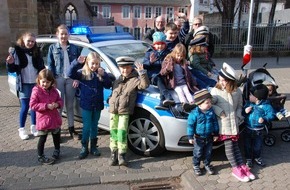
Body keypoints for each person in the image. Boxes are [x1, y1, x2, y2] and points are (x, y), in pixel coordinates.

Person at [210, 62, 255, 182]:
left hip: (234, 123)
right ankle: (236, 168)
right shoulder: (215, 91)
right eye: (220, 80)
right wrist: (219, 111)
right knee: (229, 147)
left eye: (224, 80)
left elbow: (240, 105)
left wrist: (239, 115)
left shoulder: (237, 92)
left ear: (231, 81)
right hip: (224, 125)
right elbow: (211, 104)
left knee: (235, 147)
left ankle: (242, 166)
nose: (221, 83)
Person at [68, 52, 112, 159]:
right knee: (86, 126)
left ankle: (93, 147)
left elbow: (108, 85)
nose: (94, 66)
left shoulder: (100, 74)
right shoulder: (82, 74)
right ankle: (84, 147)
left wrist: (104, 75)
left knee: (94, 126)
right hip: (86, 105)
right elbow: (70, 74)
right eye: (92, 63)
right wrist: (76, 63)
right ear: (87, 62)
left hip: (97, 105)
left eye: (97, 64)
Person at [108, 56, 149, 166]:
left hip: (125, 111)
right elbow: (113, 93)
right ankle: (113, 154)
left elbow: (144, 85)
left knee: (122, 132)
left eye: (127, 68)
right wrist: (110, 100)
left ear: (131, 68)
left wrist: (142, 73)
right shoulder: (117, 80)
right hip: (113, 110)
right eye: (122, 68)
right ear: (119, 68)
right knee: (113, 132)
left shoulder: (135, 80)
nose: (125, 70)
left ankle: (122, 155)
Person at [6, 32, 45, 140]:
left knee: (34, 106)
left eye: (33, 41)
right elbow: (12, 69)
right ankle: (22, 129)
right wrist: (10, 63)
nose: (31, 43)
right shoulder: (17, 51)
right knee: (25, 107)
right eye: (29, 41)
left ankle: (34, 127)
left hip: (35, 82)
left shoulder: (37, 51)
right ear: (23, 40)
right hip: (23, 83)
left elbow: (41, 66)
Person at [47, 24, 82, 140]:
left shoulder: (74, 48)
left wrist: (77, 78)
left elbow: (79, 66)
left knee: (70, 105)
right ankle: (58, 129)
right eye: (61, 34)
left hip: (71, 79)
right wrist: (52, 81)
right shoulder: (52, 48)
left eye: (66, 34)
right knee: (59, 105)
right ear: (57, 34)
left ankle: (72, 128)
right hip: (58, 78)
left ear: (69, 35)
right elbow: (50, 66)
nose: (64, 36)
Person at [29, 69, 63, 165]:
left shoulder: (54, 91)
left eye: (47, 82)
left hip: (54, 118)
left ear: (51, 82)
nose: (45, 84)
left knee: (56, 135)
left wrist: (57, 104)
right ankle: (40, 156)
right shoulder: (36, 91)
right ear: (39, 80)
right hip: (43, 119)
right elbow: (32, 105)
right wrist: (46, 106)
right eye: (43, 82)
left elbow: (60, 101)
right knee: (42, 138)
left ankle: (57, 150)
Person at [187, 89, 219, 176]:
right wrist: (190, 136)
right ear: (199, 104)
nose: (209, 104)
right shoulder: (194, 114)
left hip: (209, 136)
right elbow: (190, 126)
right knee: (198, 152)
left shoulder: (211, 112)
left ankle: (207, 164)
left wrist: (216, 134)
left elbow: (215, 123)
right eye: (207, 103)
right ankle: (196, 165)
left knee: (208, 152)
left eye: (210, 102)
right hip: (198, 137)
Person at [243, 84, 275, 168]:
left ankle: (257, 157)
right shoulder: (249, 104)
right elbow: (243, 113)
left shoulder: (266, 106)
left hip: (258, 130)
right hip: (248, 129)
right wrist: (245, 111)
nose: (249, 96)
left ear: (256, 97)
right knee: (247, 145)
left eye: (250, 95)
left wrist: (264, 118)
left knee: (258, 145)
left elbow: (272, 115)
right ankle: (248, 158)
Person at [159, 43, 199, 110]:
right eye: (178, 55)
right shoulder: (168, 60)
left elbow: (188, 74)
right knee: (180, 93)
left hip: (183, 82)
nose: (179, 58)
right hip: (175, 84)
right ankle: (184, 103)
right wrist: (167, 69)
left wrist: (194, 84)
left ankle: (192, 103)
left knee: (187, 92)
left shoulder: (183, 62)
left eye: (181, 56)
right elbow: (162, 73)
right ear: (174, 53)